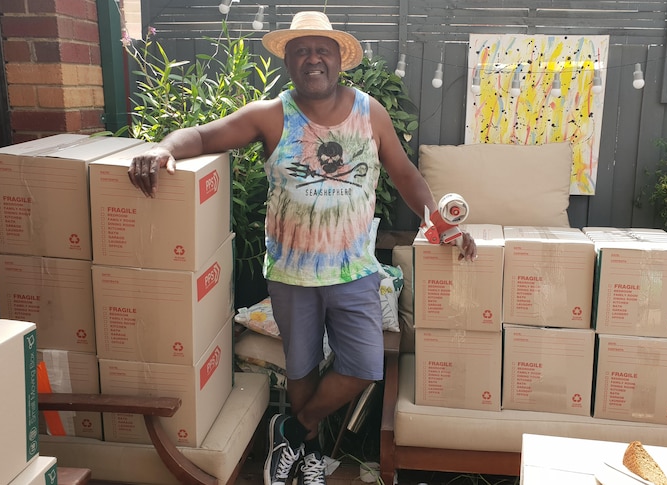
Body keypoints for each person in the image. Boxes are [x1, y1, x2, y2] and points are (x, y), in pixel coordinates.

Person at [128, 11, 477, 485]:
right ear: (289, 62)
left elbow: (405, 173)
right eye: (301, 52)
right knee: (302, 369)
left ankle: (290, 430)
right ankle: (308, 452)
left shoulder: (369, 112)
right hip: (293, 274)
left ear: (338, 61)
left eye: (322, 51)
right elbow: (205, 135)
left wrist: (440, 223)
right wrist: (165, 147)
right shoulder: (271, 115)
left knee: (363, 367)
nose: (313, 59)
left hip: (354, 270)